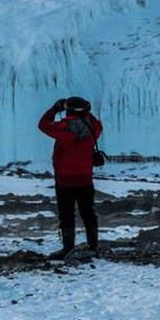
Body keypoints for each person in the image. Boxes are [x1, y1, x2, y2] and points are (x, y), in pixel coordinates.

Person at [38, 96, 103, 259]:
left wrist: (54, 109)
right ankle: (93, 246)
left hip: (65, 179)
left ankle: (68, 248)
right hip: (85, 179)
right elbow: (97, 123)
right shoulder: (93, 127)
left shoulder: (63, 128)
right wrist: (85, 113)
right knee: (88, 212)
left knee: (66, 213)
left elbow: (43, 125)